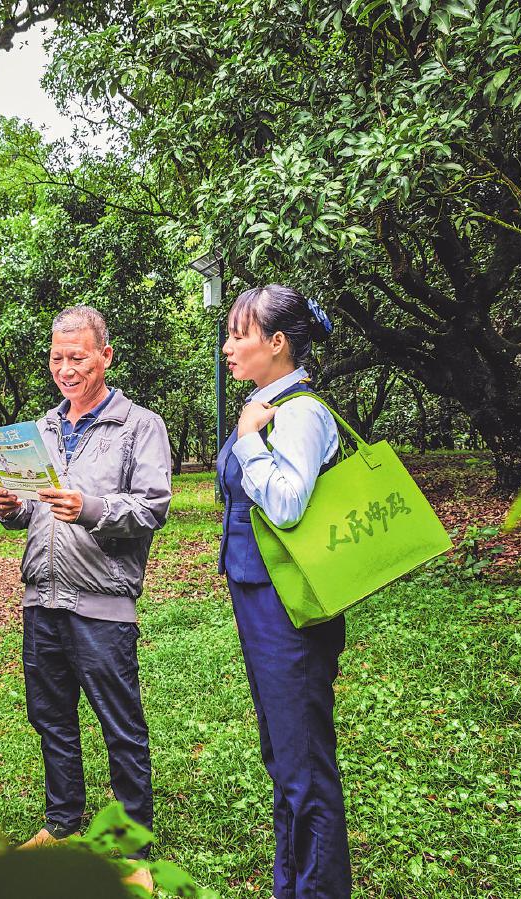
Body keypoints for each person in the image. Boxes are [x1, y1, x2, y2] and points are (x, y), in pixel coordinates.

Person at [0, 305, 172, 894]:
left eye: (77, 357)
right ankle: (62, 823)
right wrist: (12, 508)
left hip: (101, 602)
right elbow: (32, 511)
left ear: (105, 356)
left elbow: (152, 508)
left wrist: (90, 508)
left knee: (120, 724)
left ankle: (132, 847)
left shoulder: (139, 425)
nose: (65, 369)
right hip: (41, 598)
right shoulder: (40, 430)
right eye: (56, 358)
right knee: (51, 718)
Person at [216, 284, 349, 899]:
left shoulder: (300, 413)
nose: (227, 347)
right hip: (261, 600)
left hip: (290, 609)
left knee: (304, 763)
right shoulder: (266, 406)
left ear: (276, 342)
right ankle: (292, 885)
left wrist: (247, 439)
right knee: (284, 756)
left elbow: (290, 504)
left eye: (238, 335)